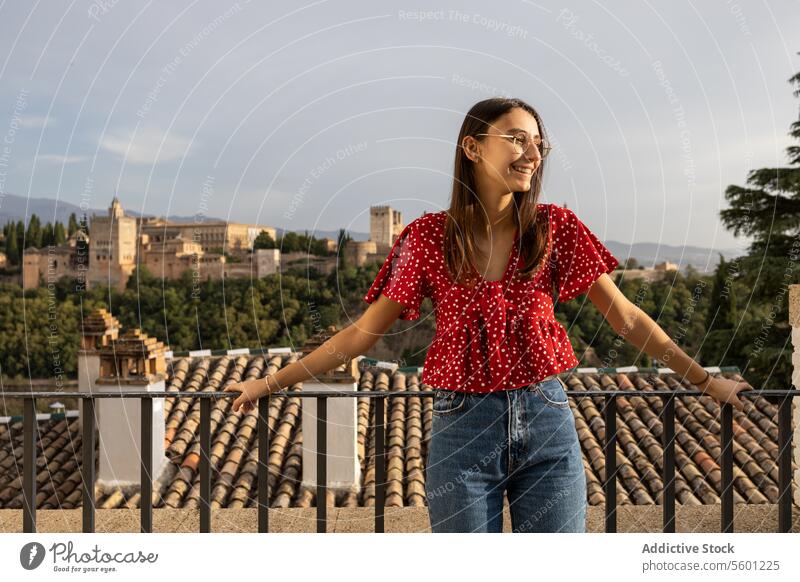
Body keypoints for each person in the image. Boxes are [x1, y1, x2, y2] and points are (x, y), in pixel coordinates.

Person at [224, 97, 753, 533]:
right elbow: (362, 335)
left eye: (538, 144)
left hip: (548, 420)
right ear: (473, 147)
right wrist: (268, 384)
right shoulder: (427, 238)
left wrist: (708, 384)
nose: (532, 153)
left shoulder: (555, 228)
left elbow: (628, 320)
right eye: (517, 138)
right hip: (463, 430)